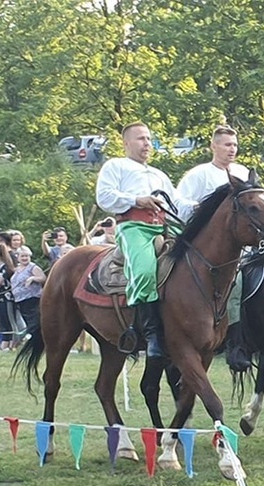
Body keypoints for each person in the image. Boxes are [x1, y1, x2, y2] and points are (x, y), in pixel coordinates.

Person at [96, 121, 196, 359]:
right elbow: (104, 196)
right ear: (126, 143)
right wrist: (136, 200)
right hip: (133, 227)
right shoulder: (115, 166)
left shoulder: (159, 174)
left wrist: (201, 207)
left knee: (198, 257)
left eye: (149, 139)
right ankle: (152, 335)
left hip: (164, 226)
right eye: (141, 139)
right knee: (143, 269)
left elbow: (177, 204)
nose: (147, 144)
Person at [177, 125, 250, 369]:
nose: (232, 149)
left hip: (241, 246)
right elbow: (179, 204)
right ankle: (232, 342)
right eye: (227, 144)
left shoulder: (243, 173)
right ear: (214, 146)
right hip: (207, 249)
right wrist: (197, 208)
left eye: (235, 145)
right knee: (235, 285)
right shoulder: (199, 175)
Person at [11, 245, 45, 334]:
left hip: (32, 298)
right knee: (27, 322)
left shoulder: (32, 267)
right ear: (17, 257)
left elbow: (43, 278)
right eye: (22, 256)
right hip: (20, 300)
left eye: (27, 256)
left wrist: (32, 278)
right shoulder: (17, 268)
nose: (25, 258)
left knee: (34, 323)